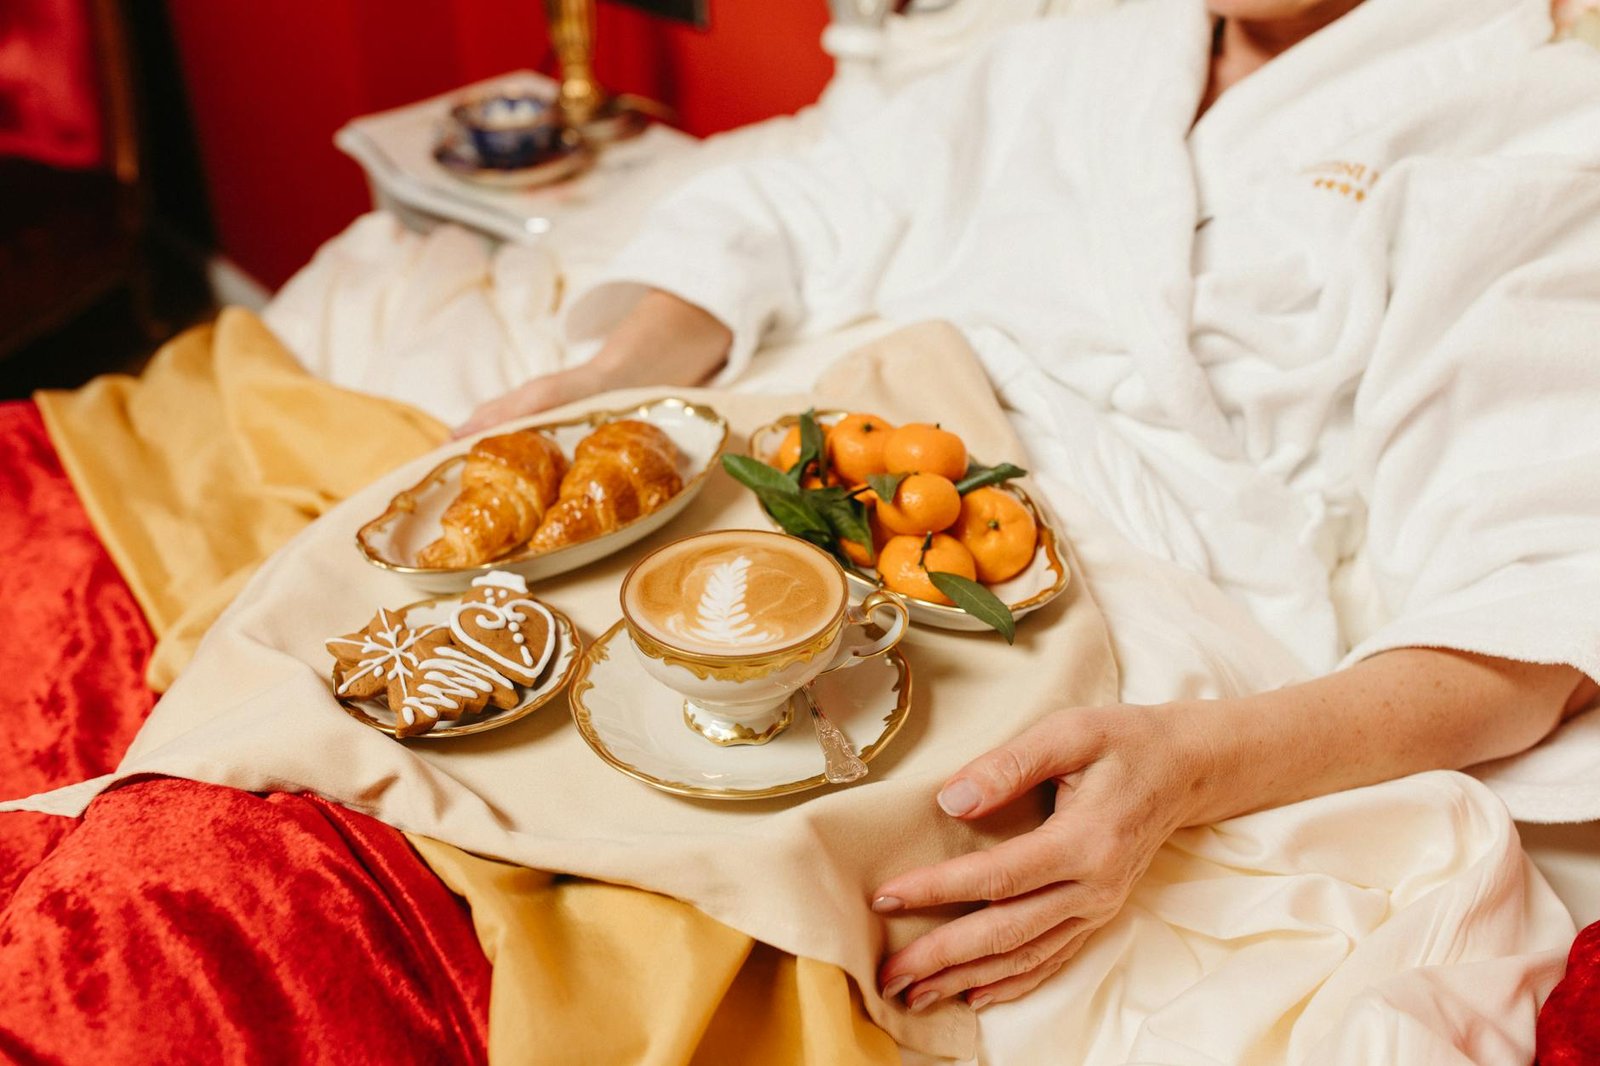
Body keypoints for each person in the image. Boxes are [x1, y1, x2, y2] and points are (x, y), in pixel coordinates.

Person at [462, 0, 1600, 1015]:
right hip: (854, 468)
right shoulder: (1099, 40)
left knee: (683, 901)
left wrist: (1187, 768)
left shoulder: (1534, 125)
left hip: (1105, 588)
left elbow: (1532, 610)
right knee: (502, 705)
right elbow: (813, 192)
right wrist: (612, 371)